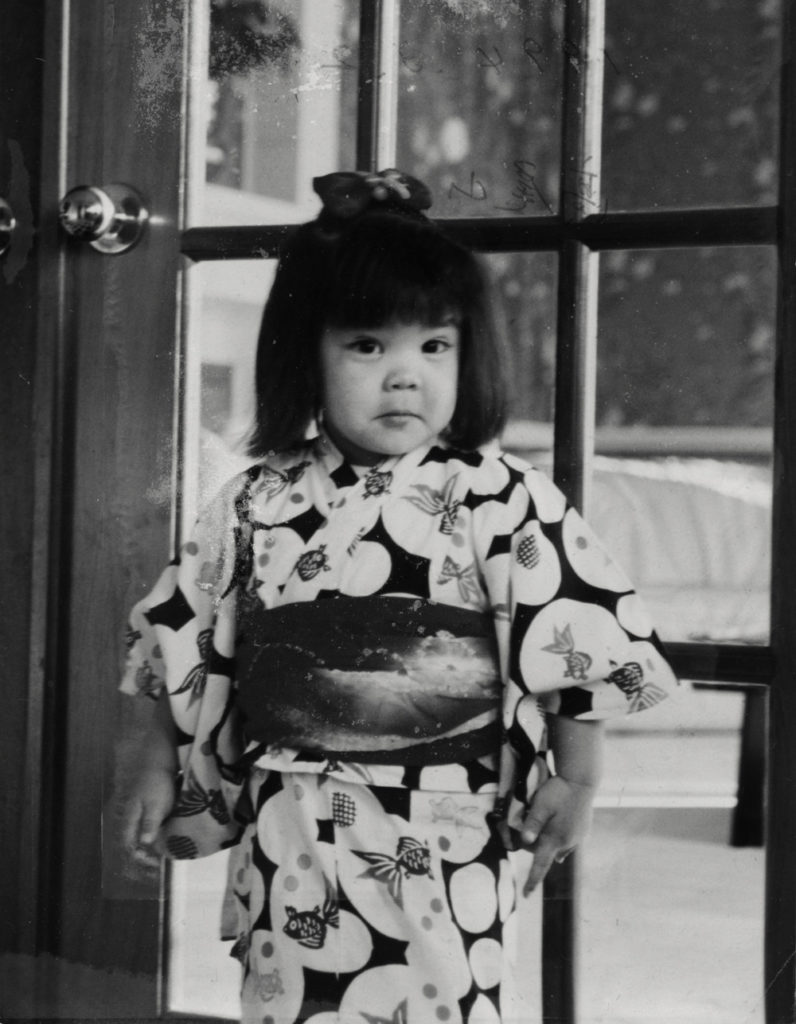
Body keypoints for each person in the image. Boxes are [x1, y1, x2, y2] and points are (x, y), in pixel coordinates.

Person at [119, 168, 678, 1023]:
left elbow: (572, 644)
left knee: (442, 1001)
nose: (405, 377)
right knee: (290, 1002)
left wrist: (580, 779)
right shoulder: (252, 503)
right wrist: (159, 764)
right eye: (368, 346)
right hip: (293, 820)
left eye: (435, 346)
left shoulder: (501, 496)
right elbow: (185, 641)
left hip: (448, 825)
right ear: (304, 350)